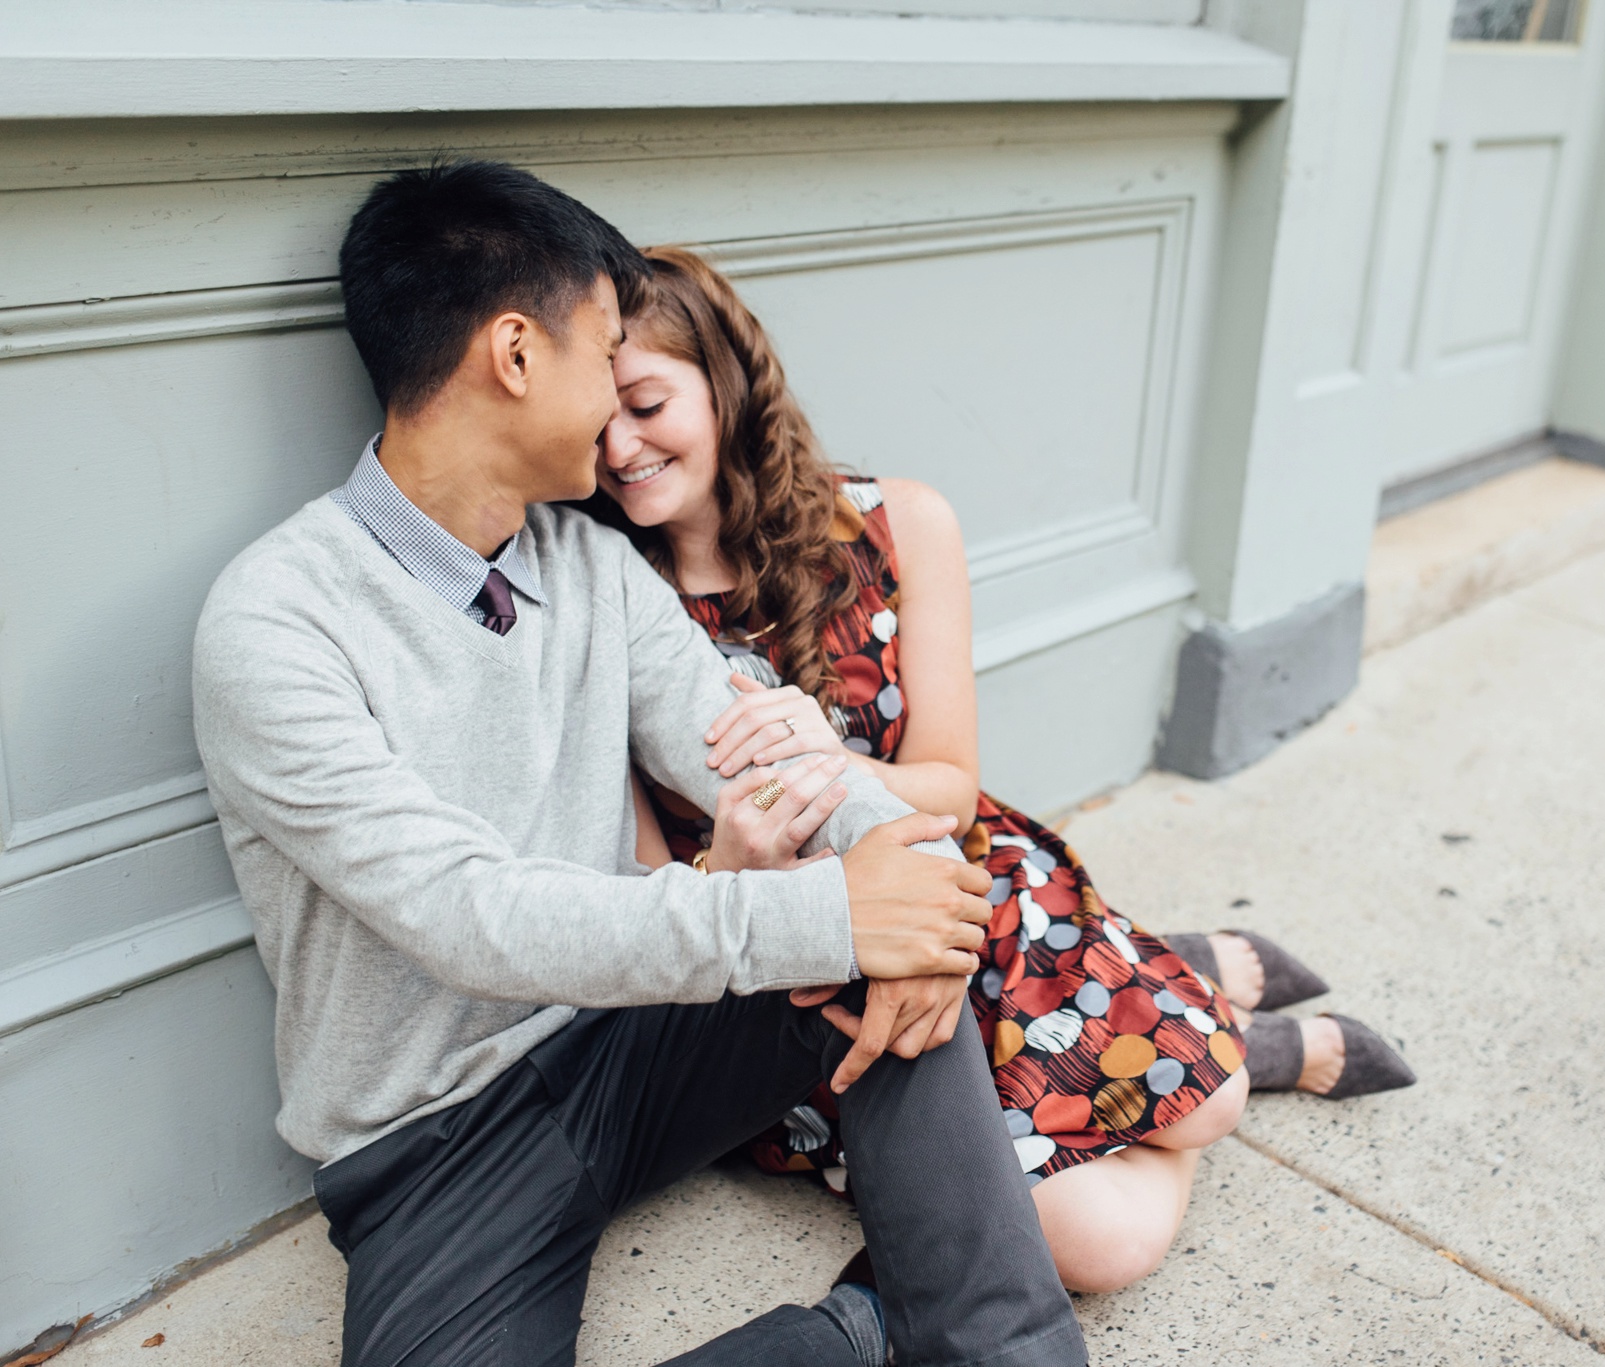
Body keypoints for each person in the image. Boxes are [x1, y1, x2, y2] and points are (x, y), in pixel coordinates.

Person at [190, 161, 1087, 1367]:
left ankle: (1005, 1351)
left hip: (635, 1032)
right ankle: (863, 1332)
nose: (616, 395)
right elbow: (468, 914)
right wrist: (834, 908)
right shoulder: (275, 625)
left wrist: (893, 863)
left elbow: (759, 748)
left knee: (886, 933)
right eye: (602, 349)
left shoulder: (590, 564)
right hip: (433, 1143)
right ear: (514, 354)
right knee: (848, 926)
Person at [580, 246, 1418, 1294]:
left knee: (1211, 1101)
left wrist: (828, 768)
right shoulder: (598, 606)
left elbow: (947, 778)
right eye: (593, 423)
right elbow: (658, 897)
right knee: (1101, 1246)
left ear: (725, 382)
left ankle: (1213, 1016)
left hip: (970, 899)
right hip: (807, 988)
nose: (618, 447)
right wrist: (739, 855)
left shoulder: (896, 523)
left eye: (647, 404)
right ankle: (1198, 988)